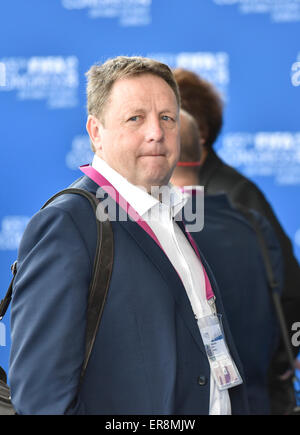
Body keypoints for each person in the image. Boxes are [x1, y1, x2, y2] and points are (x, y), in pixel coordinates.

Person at [8, 56, 249, 415]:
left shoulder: (173, 215)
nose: (156, 132)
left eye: (167, 117)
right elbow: (42, 399)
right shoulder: (67, 225)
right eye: (135, 118)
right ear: (95, 132)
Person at [173, 68, 300, 414]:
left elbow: (288, 293)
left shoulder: (234, 197)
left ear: (196, 132)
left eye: (167, 117)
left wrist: (273, 368)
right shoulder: (203, 195)